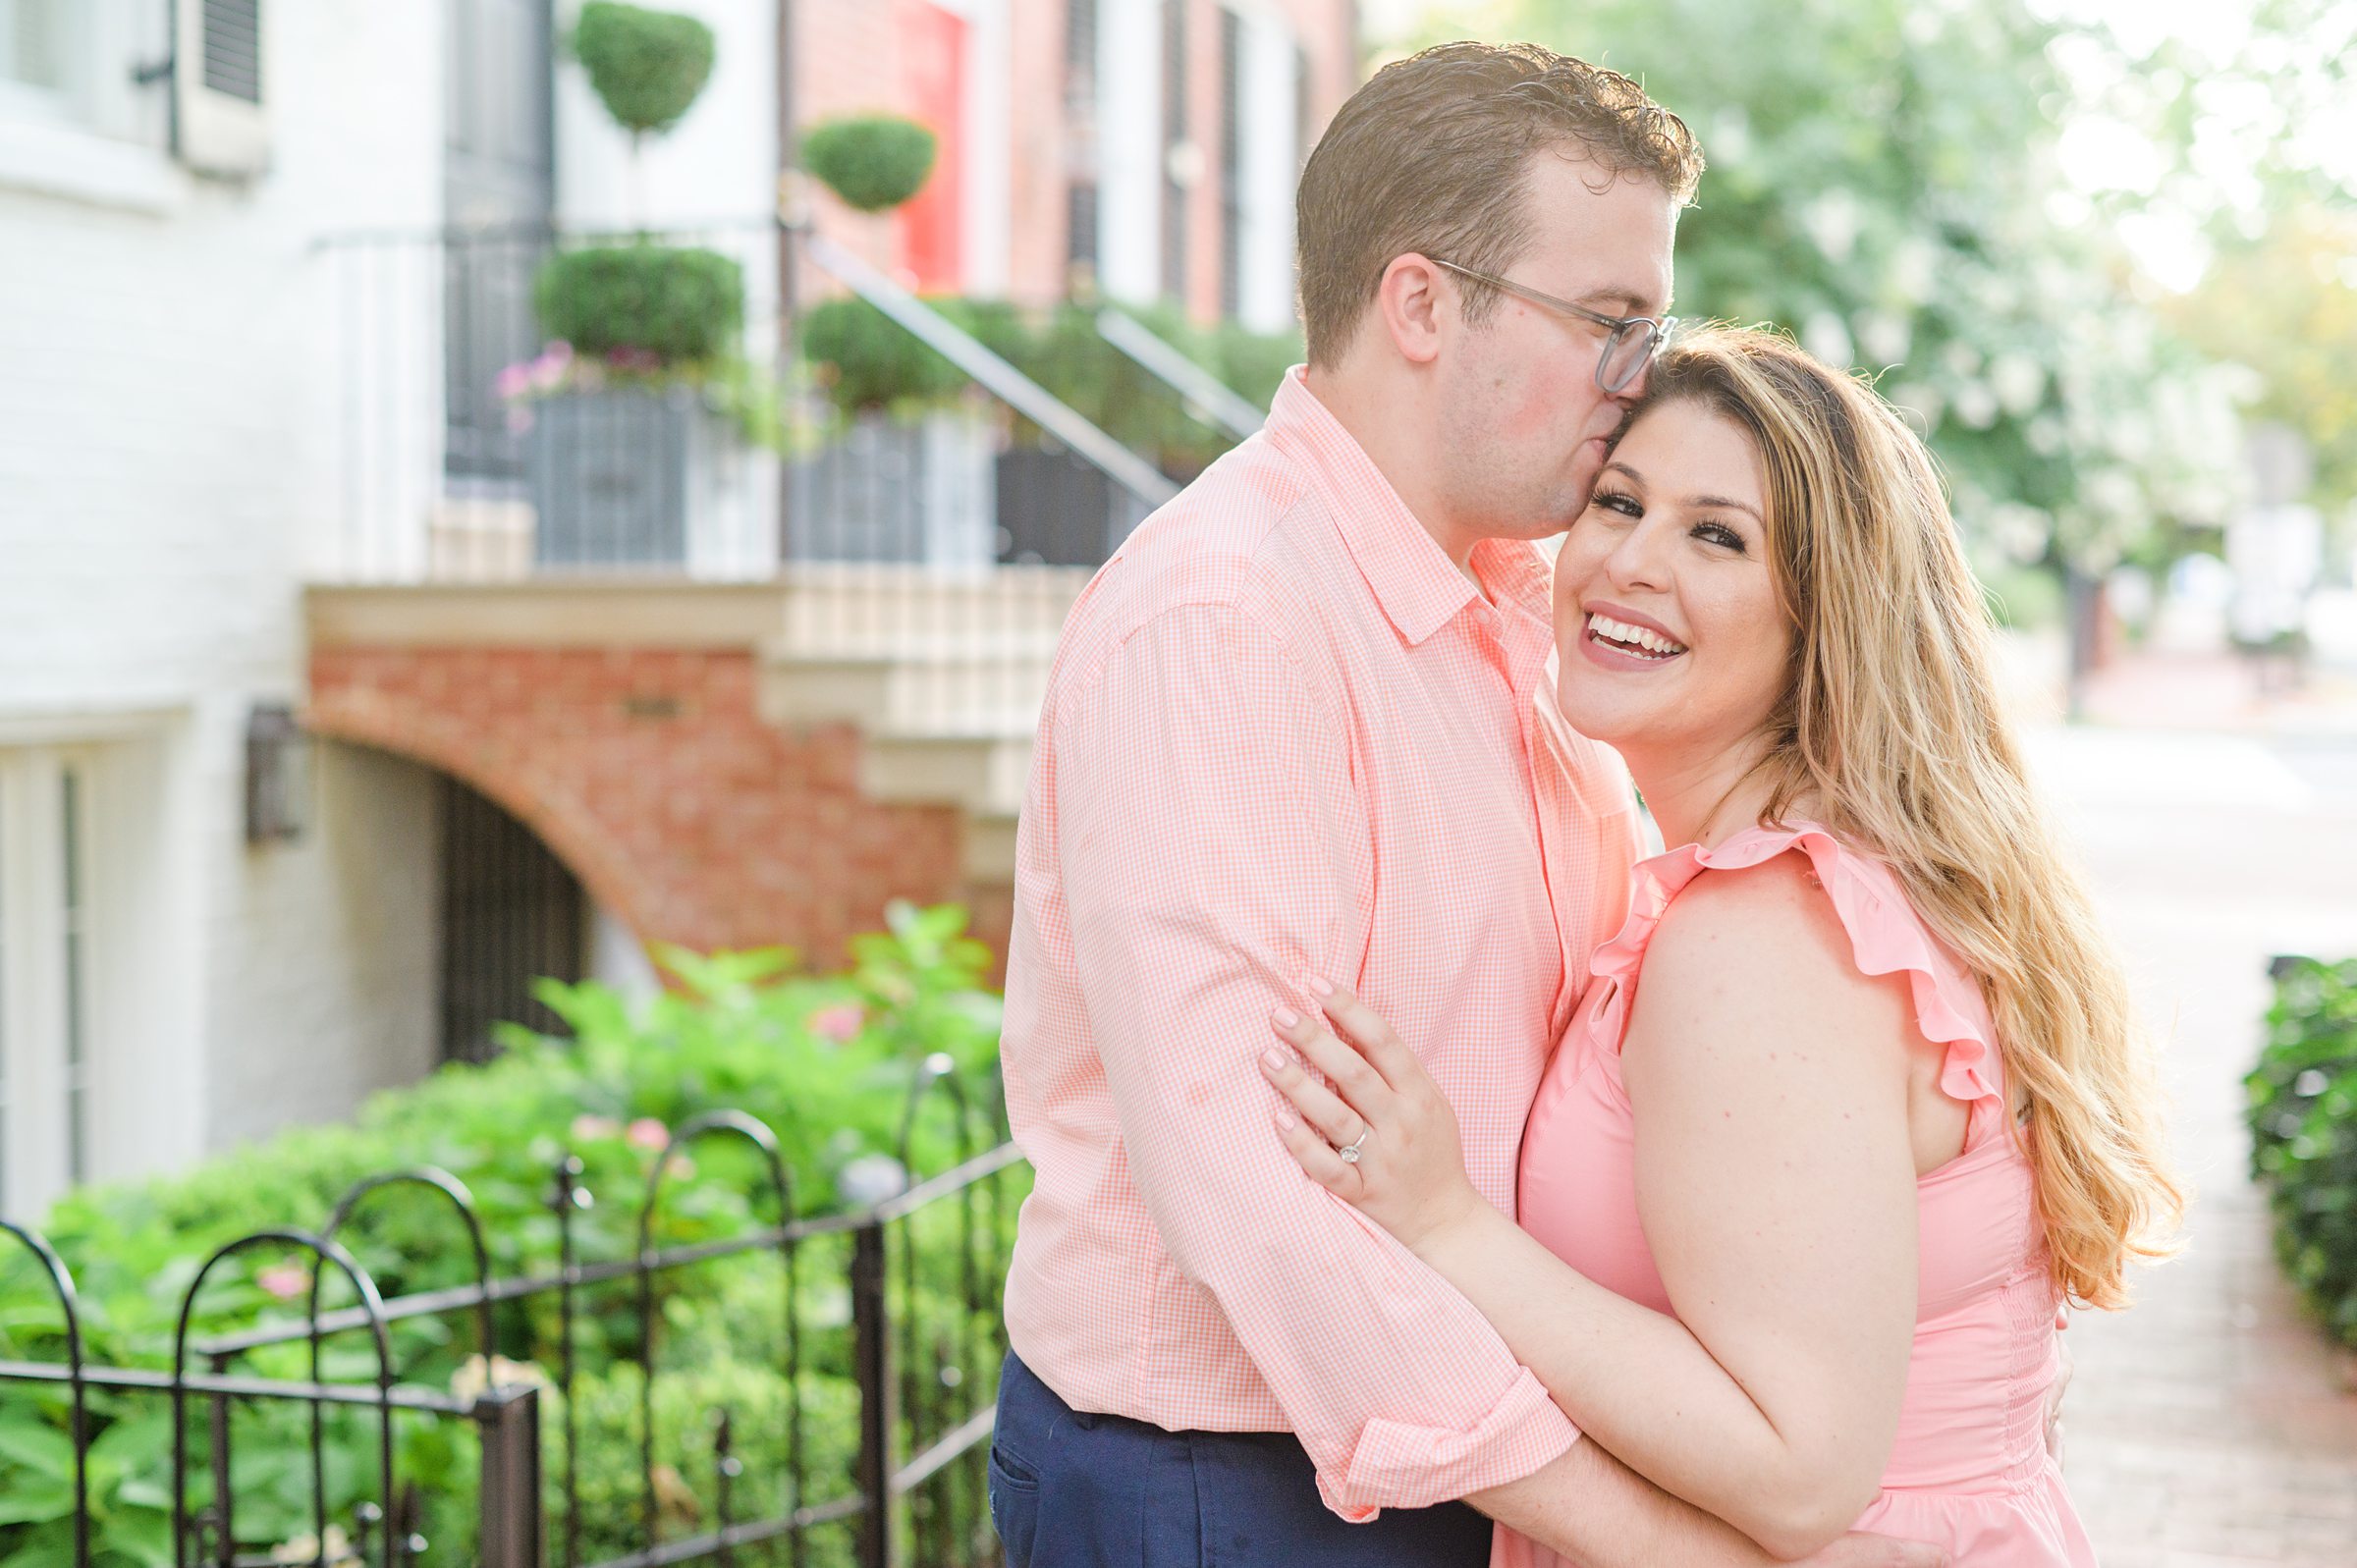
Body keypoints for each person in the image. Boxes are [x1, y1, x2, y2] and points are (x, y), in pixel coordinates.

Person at [990, 39, 1946, 1568]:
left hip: (1474, 1459)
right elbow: (1274, 1215)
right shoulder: (1229, 620)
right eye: (1610, 323)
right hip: (1240, 1488)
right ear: (1423, 303)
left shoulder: (1516, 606)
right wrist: (1642, 1537)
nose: (1639, 379)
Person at [1259, 328, 2186, 1567]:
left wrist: (1446, 1225)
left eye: (1717, 534)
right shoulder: (1840, 885)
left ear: (1825, 616)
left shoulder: (1760, 937)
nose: (1631, 561)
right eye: (1618, 501)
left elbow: (1800, 1473)